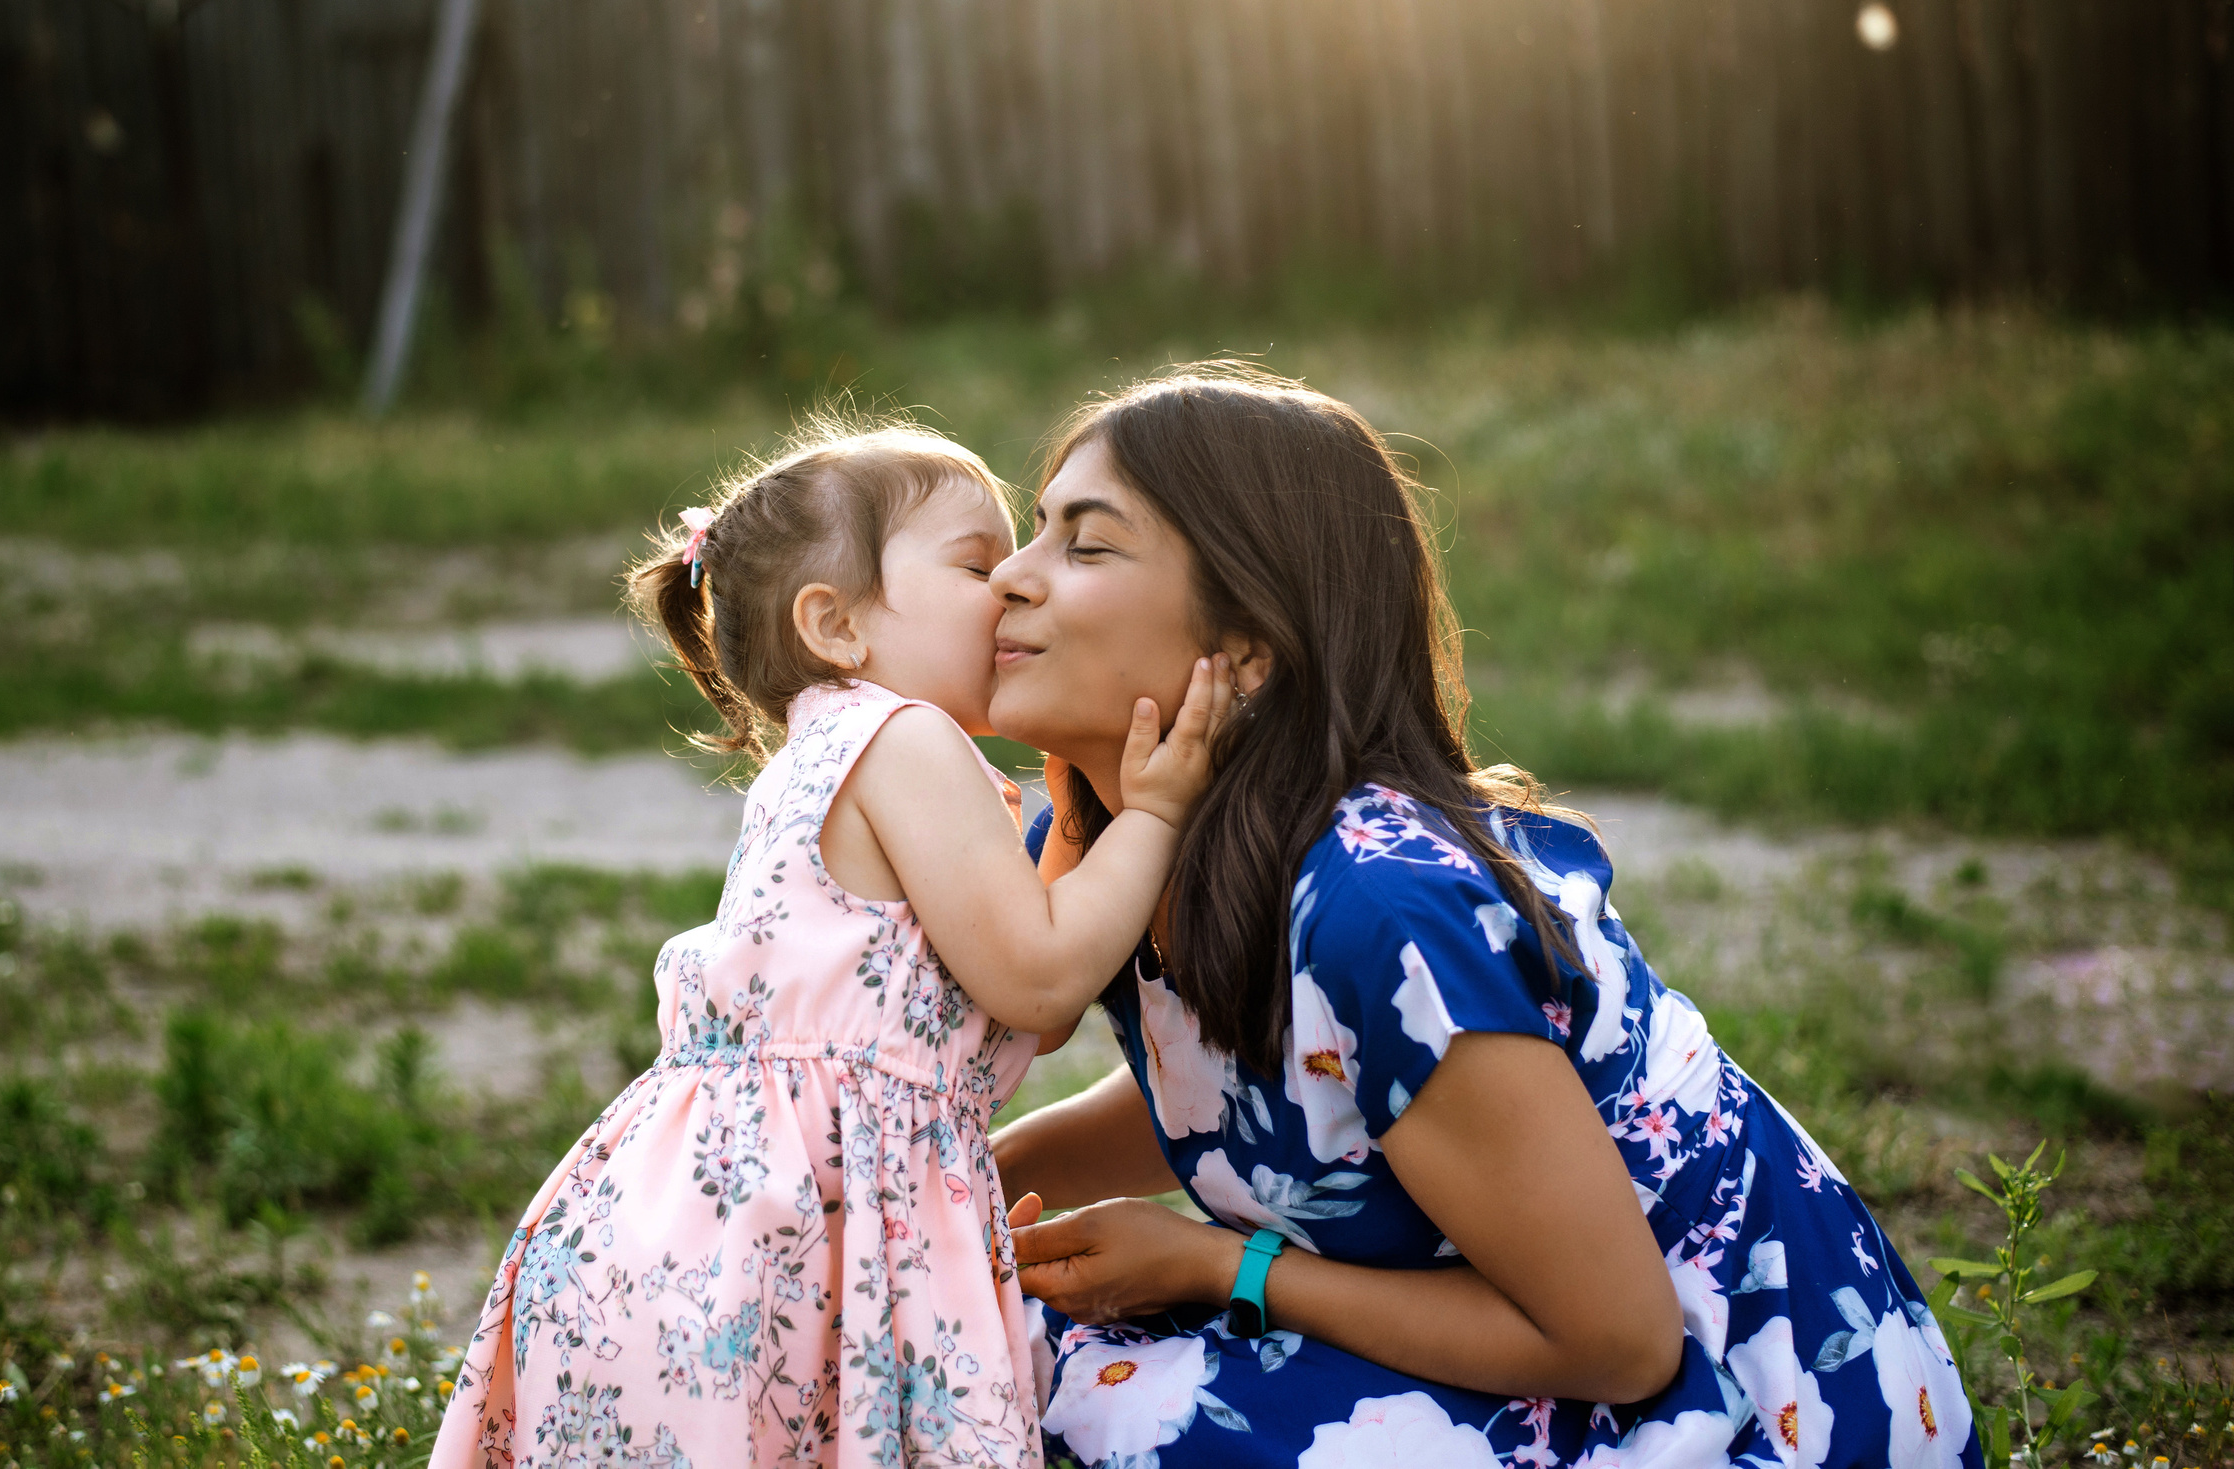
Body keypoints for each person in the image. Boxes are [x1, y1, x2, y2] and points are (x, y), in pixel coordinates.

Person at [986, 365, 1978, 1469]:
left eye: (1086, 545)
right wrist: (946, 1187)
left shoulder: (1383, 905)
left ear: (1251, 646)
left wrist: (1222, 1266)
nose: (1009, 575)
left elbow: (1618, 1339)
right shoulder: (1122, 844)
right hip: (1523, 1338)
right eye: (1035, 530)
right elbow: (1243, 1086)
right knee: (967, 1321)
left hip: (1731, 1394)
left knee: (1108, 1402)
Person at [429, 418, 1232, 1469]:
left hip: (719, 1213)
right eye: (976, 564)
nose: (1010, 585)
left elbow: (1014, 1012)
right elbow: (1041, 977)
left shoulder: (835, 745)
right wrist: (1156, 815)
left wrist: (1078, 815)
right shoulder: (905, 739)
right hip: (804, 1219)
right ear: (836, 624)